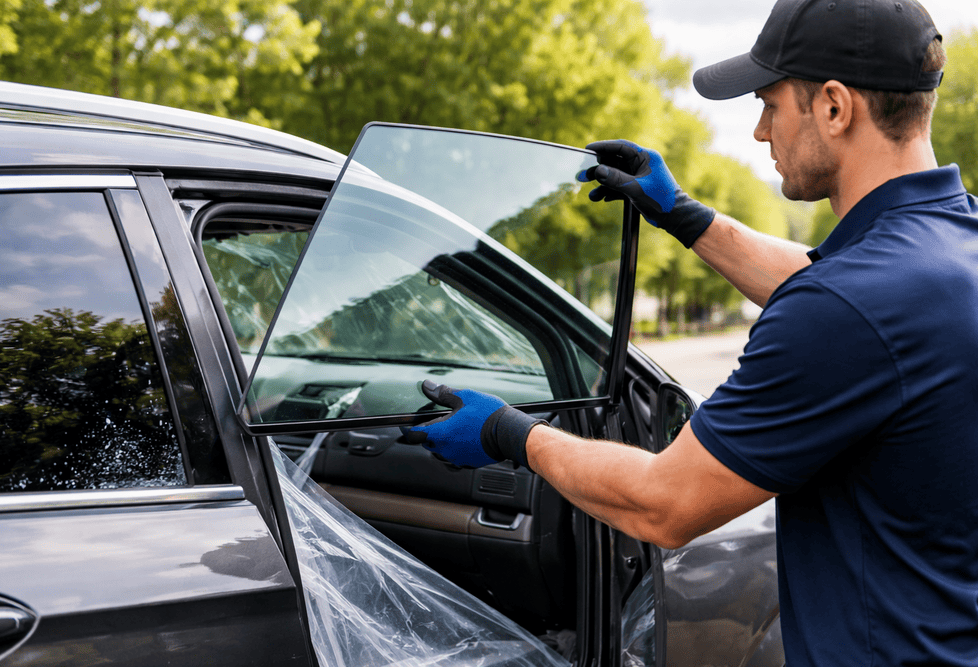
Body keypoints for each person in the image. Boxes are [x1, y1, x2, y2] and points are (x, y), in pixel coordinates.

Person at [405, 0, 978, 665]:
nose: (762, 131)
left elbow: (663, 504)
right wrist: (685, 216)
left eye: (769, 104)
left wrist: (512, 434)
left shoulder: (846, 307)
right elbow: (835, 288)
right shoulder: (950, 245)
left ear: (833, 106)